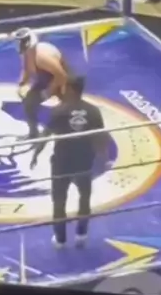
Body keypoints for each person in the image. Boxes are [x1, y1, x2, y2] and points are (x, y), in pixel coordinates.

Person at [30, 75, 109, 248]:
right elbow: (99, 138)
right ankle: (81, 234)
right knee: (84, 197)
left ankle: (60, 239)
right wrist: (103, 158)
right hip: (84, 161)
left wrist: (36, 153)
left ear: (71, 89)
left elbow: (46, 134)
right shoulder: (93, 111)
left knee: (59, 200)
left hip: (62, 162)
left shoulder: (60, 110)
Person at [13, 27, 74, 139]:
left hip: (62, 79)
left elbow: (62, 76)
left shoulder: (42, 57)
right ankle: (33, 133)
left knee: (62, 108)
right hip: (45, 78)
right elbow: (26, 69)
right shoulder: (26, 53)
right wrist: (22, 83)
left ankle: (52, 133)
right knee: (29, 103)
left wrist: (48, 91)